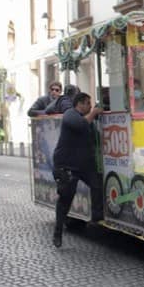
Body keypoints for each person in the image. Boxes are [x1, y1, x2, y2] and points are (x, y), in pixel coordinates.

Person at [51, 92, 103, 248]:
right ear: (80, 104)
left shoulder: (86, 120)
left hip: (83, 165)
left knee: (97, 184)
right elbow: (81, 125)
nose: (90, 106)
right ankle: (58, 232)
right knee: (65, 200)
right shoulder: (70, 115)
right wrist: (94, 113)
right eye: (88, 103)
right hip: (66, 165)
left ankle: (96, 217)